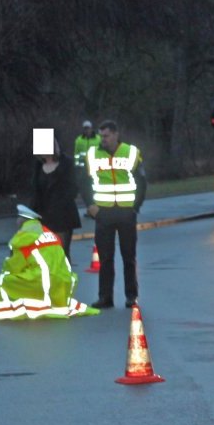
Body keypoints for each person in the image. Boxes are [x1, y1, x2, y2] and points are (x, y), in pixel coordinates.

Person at [80, 119, 147, 309]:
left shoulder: (130, 152)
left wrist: (136, 206)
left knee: (128, 256)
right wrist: (90, 205)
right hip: (104, 213)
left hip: (126, 211)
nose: (103, 140)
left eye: (107, 136)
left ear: (116, 134)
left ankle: (131, 296)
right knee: (105, 257)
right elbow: (84, 182)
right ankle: (105, 297)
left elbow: (141, 181)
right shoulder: (93, 155)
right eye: (101, 136)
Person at [0, 206, 99, 320]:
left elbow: (14, 266)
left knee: (3, 280)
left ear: (23, 221)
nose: (16, 221)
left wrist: (7, 269)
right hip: (64, 280)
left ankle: (11, 311)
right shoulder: (49, 233)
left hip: (42, 280)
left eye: (18, 218)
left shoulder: (22, 237)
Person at [30, 137, 81, 263]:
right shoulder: (38, 166)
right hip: (43, 216)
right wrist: (30, 214)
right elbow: (36, 191)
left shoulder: (67, 163)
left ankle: (65, 280)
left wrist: (60, 204)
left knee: (62, 254)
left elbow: (73, 188)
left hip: (63, 216)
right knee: (45, 255)